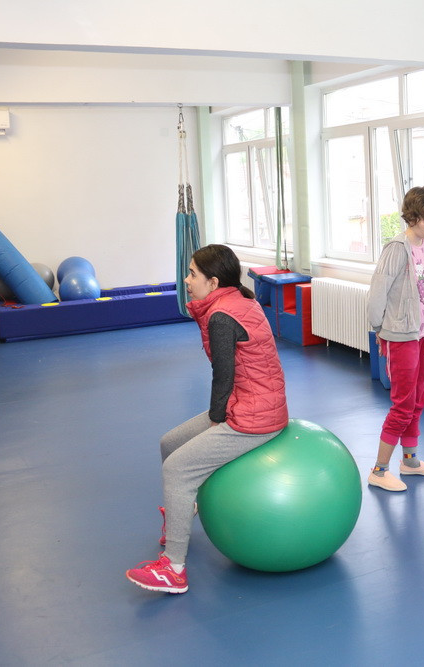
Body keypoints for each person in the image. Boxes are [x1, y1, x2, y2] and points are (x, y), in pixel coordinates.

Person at [126, 244, 288, 593]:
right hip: (250, 402)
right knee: (170, 444)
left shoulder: (222, 316)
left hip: (254, 417)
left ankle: (173, 569)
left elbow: (223, 375)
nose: (186, 280)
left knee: (177, 470)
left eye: (192, 274)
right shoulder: (239, 300)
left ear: (213, 282)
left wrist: (217, 418)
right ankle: (181, 512)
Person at [366, 185, 424, 492]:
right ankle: (379, 470)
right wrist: (378, 328)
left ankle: (410, 462)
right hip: (399, 335)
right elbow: (378, 292)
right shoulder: (397, 249)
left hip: (422, 332)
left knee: (418, 400)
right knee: (402, 404)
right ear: (411, 217)